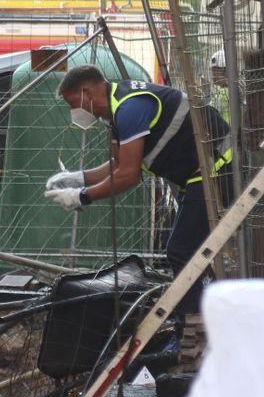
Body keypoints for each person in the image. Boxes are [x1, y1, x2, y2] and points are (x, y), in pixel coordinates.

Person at [46, 65, 232, 319]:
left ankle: (193, 324)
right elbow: (120, 163)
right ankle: (196, 318)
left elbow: (128, 176)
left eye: (72, 102)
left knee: (180, 249)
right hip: (200, 176)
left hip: (220, 170)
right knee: (186, 249)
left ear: (87, 92)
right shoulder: (115, 113)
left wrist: (81, 196)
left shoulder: (129, 109)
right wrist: (78, 178)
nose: (72, 111)